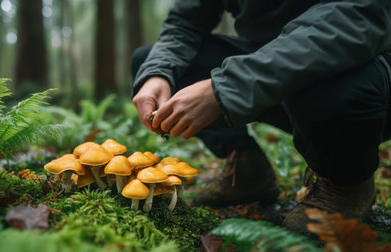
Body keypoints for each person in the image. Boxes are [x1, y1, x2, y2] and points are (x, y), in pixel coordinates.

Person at [130, 0, 391, 234]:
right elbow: (185, 21)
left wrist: (226, 86)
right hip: (268, 66)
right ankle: (247, 170)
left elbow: (355, 16)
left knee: (330, 80)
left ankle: (344, 182)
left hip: (365, 66)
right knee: (151, 61)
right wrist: (158, 72)